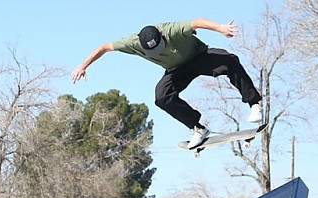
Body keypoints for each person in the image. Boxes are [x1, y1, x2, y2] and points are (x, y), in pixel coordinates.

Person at [71, 19, 264, 150]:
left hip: (199, 57)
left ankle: (255, 103)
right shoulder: (131, 43)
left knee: (229, 60)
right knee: (161, 97)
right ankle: (198, 128)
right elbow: (104, 47)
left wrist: (220, 28)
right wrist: (83, 65)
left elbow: (197, 21)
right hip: (176, 70)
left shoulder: (172, 30)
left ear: (162, 35)